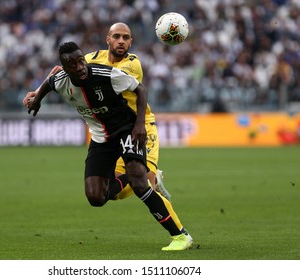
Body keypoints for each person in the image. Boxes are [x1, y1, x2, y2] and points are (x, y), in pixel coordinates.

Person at [24, 41, 193, 251]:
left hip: (126, 129)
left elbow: (140, 90)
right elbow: (50, 82)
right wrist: (37, 99)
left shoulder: (106, 75)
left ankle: (180, 236)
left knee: (139, 184)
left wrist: (139, 124)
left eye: (81, 61)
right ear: (65, 69)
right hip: (101, 138)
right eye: (73, 65)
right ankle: (150, 175)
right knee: (96, 197)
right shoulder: (61, 81)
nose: (79, 67)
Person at [24, 22, 172, 202]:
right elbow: (60, 71)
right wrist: (37, 93)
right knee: (114, 192)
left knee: (140, 181)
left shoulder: (132, 64)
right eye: (116, 36)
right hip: (115, 129)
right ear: (108, 39)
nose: (120, 41)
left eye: (125, 38)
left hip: (140, 126)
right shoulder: (92, 57)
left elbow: (108, 77)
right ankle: (151, 178)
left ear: (131, 42)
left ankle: (153, 177)